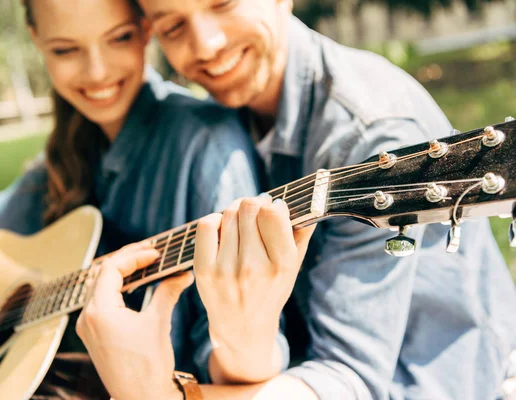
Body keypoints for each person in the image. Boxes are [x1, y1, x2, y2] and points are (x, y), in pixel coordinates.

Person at [79, 0, 516, 399]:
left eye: (223, 4)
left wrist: (154, 394)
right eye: (174, 27)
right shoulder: (232, 107)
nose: (206, 45)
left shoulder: (370, 135)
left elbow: (350, 380)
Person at [0, 0, 281, 398]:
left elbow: (242, 370)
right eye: (65, 49)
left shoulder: (207, 146)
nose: (97, 72)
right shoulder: (70, 144)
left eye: (118, 38)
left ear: (146, 31)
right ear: (36, 41)